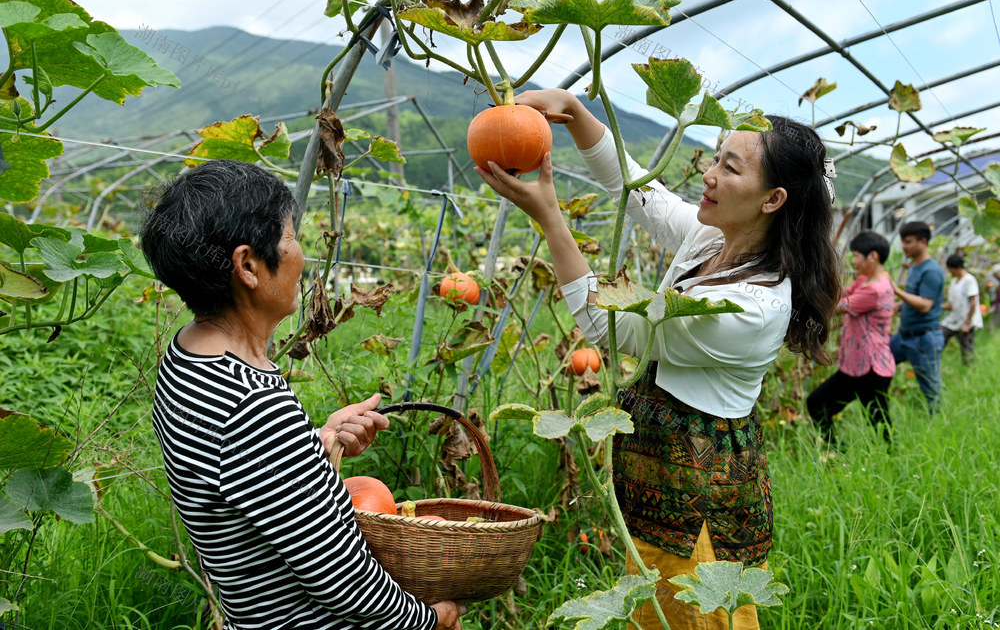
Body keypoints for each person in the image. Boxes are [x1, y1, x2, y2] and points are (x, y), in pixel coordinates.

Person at [475, 89, 839, 630]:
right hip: (657, 466)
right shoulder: (712, 237)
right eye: (715, 157)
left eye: (729, 167)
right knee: (657, 606)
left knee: (698, 612)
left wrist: (551, 219)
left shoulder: (753, 307)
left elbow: (611, 326)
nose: (709, 174)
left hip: (699, 489)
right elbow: (637, 190)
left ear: (772, 199)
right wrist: (576, 112)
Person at [139, 160, 464, 630]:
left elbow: (237, 477)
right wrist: (430, 619)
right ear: (248, 266)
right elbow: (342, 579)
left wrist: (317, 442)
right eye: (292, 239)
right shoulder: (253, 403)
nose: (301, 256)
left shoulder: (185, 356)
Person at [807, 231, 895, 445]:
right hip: (858, 365)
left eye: (856, 256)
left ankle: (845, 452)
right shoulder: (868, 280)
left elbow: (836, 307)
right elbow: (842, 293)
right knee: (821, 405)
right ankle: (841, 451)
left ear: (872, 256)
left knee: (877, 421)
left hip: (870, 367)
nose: (853, 261)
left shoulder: (875, 290)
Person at [889, 221, 945, 413]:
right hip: (905, 336)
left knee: (931, 388)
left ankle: (939, 423)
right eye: (903, 242)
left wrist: (897, 291)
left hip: (924, 339)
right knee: (880, 363)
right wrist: (900, 305)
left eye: (909, 242)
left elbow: (925, 305)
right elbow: (916, 297)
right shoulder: (914, 267)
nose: (904, 246)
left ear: (923, 242)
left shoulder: (931, 271)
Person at [940, 253, 983, 365]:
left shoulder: (969, 280)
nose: (950, 272)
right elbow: (954, 305)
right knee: (939, 337)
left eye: (950, 269)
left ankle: (971, 371)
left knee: (967, 351)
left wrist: (967, 324)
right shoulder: (954, 282)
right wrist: (939, 307)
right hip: (954, 320)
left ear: (958, 267)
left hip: (966, 321)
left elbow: (973, 303)